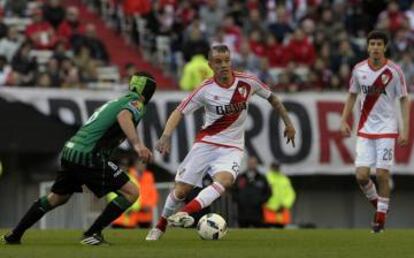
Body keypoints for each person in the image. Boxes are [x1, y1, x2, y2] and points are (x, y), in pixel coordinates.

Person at [145, 44, 296, 240]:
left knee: (225, 181)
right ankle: (160, 225)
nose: (224, 65)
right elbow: (179, 111)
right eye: (218, 62)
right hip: (206, 143)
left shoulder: (248, 81)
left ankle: (185, 213)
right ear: (210, 65)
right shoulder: (205, 89)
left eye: (227, 60)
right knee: (180, 191)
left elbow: (273, 99)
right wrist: (165, 136)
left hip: (232, 147)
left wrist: (289, 123)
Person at [1, 71, 156, 245]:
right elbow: (123, 116)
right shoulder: (135, 102)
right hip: (89, 155)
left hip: (71, 151)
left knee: (57, 197)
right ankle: (92, 233)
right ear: (146, 89)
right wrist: (138, 145)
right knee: (131, 192)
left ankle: (15, 235)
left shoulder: (118, 100)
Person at [340, 30, 409, 233]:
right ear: (368, 47)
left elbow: (404, 100)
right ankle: (381, 208)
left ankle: (379, 220)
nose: (376, 48)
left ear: (385, 47)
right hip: (365, 129)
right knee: (361, 176)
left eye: (379, 44)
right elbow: (352, 95)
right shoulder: (358, 70)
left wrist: (405, 130)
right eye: (373, 44)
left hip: (387, 130)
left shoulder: (395, 71)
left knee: (382, 174)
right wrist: (344, 119)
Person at [108, 158, 158, 228]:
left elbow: (138, 196)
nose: (122, 168)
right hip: (119, 218)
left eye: (124, 166)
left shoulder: (133, 179)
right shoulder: (115, 179)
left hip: (132, 219)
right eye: (121, 166)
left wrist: (137, 207)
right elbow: (111, 196)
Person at [233, 156, 271, 228]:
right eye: (250, 163)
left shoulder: (262, 178)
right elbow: (233, 191)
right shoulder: (241, 177)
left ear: (256, 164)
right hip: (242, 213)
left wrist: (260, 200)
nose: (252, 165)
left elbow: (268, 192)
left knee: (260, 233)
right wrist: (239, 200)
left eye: (253, 163)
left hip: (257, 213)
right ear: (247, 164)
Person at [263, 162, 296, 228]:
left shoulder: (285, 179)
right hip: (268, 209)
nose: (276, 168)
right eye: (274, 166)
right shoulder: (265, 178)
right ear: (271, 167)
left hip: (281, 209)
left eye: (277, 167)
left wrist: (285, 204)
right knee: (266, 231)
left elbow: (291, 194)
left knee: (280, 231)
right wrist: (266, 203)